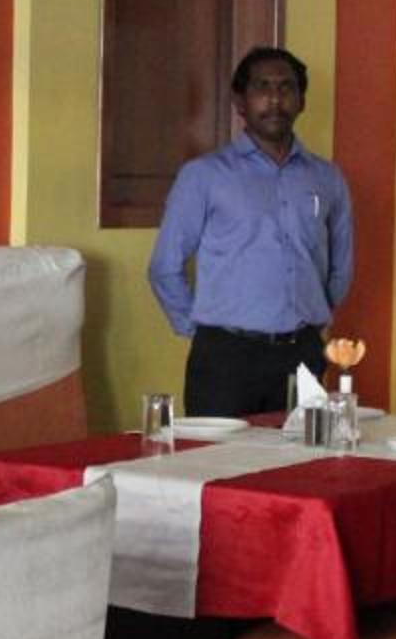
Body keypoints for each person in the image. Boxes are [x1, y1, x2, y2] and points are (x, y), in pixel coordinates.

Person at [145, 46, 354, 417]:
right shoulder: (204, 176)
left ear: (302, 101)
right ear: (240, 102)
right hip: (226, 358)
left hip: (302, 354)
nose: (275, 99)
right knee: (218, 453)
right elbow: (165, 267)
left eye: (286, 88)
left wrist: (313, 318)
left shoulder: (326, 178)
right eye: (262, 87)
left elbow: (341, 265)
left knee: (302, 453)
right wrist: (200, 330)